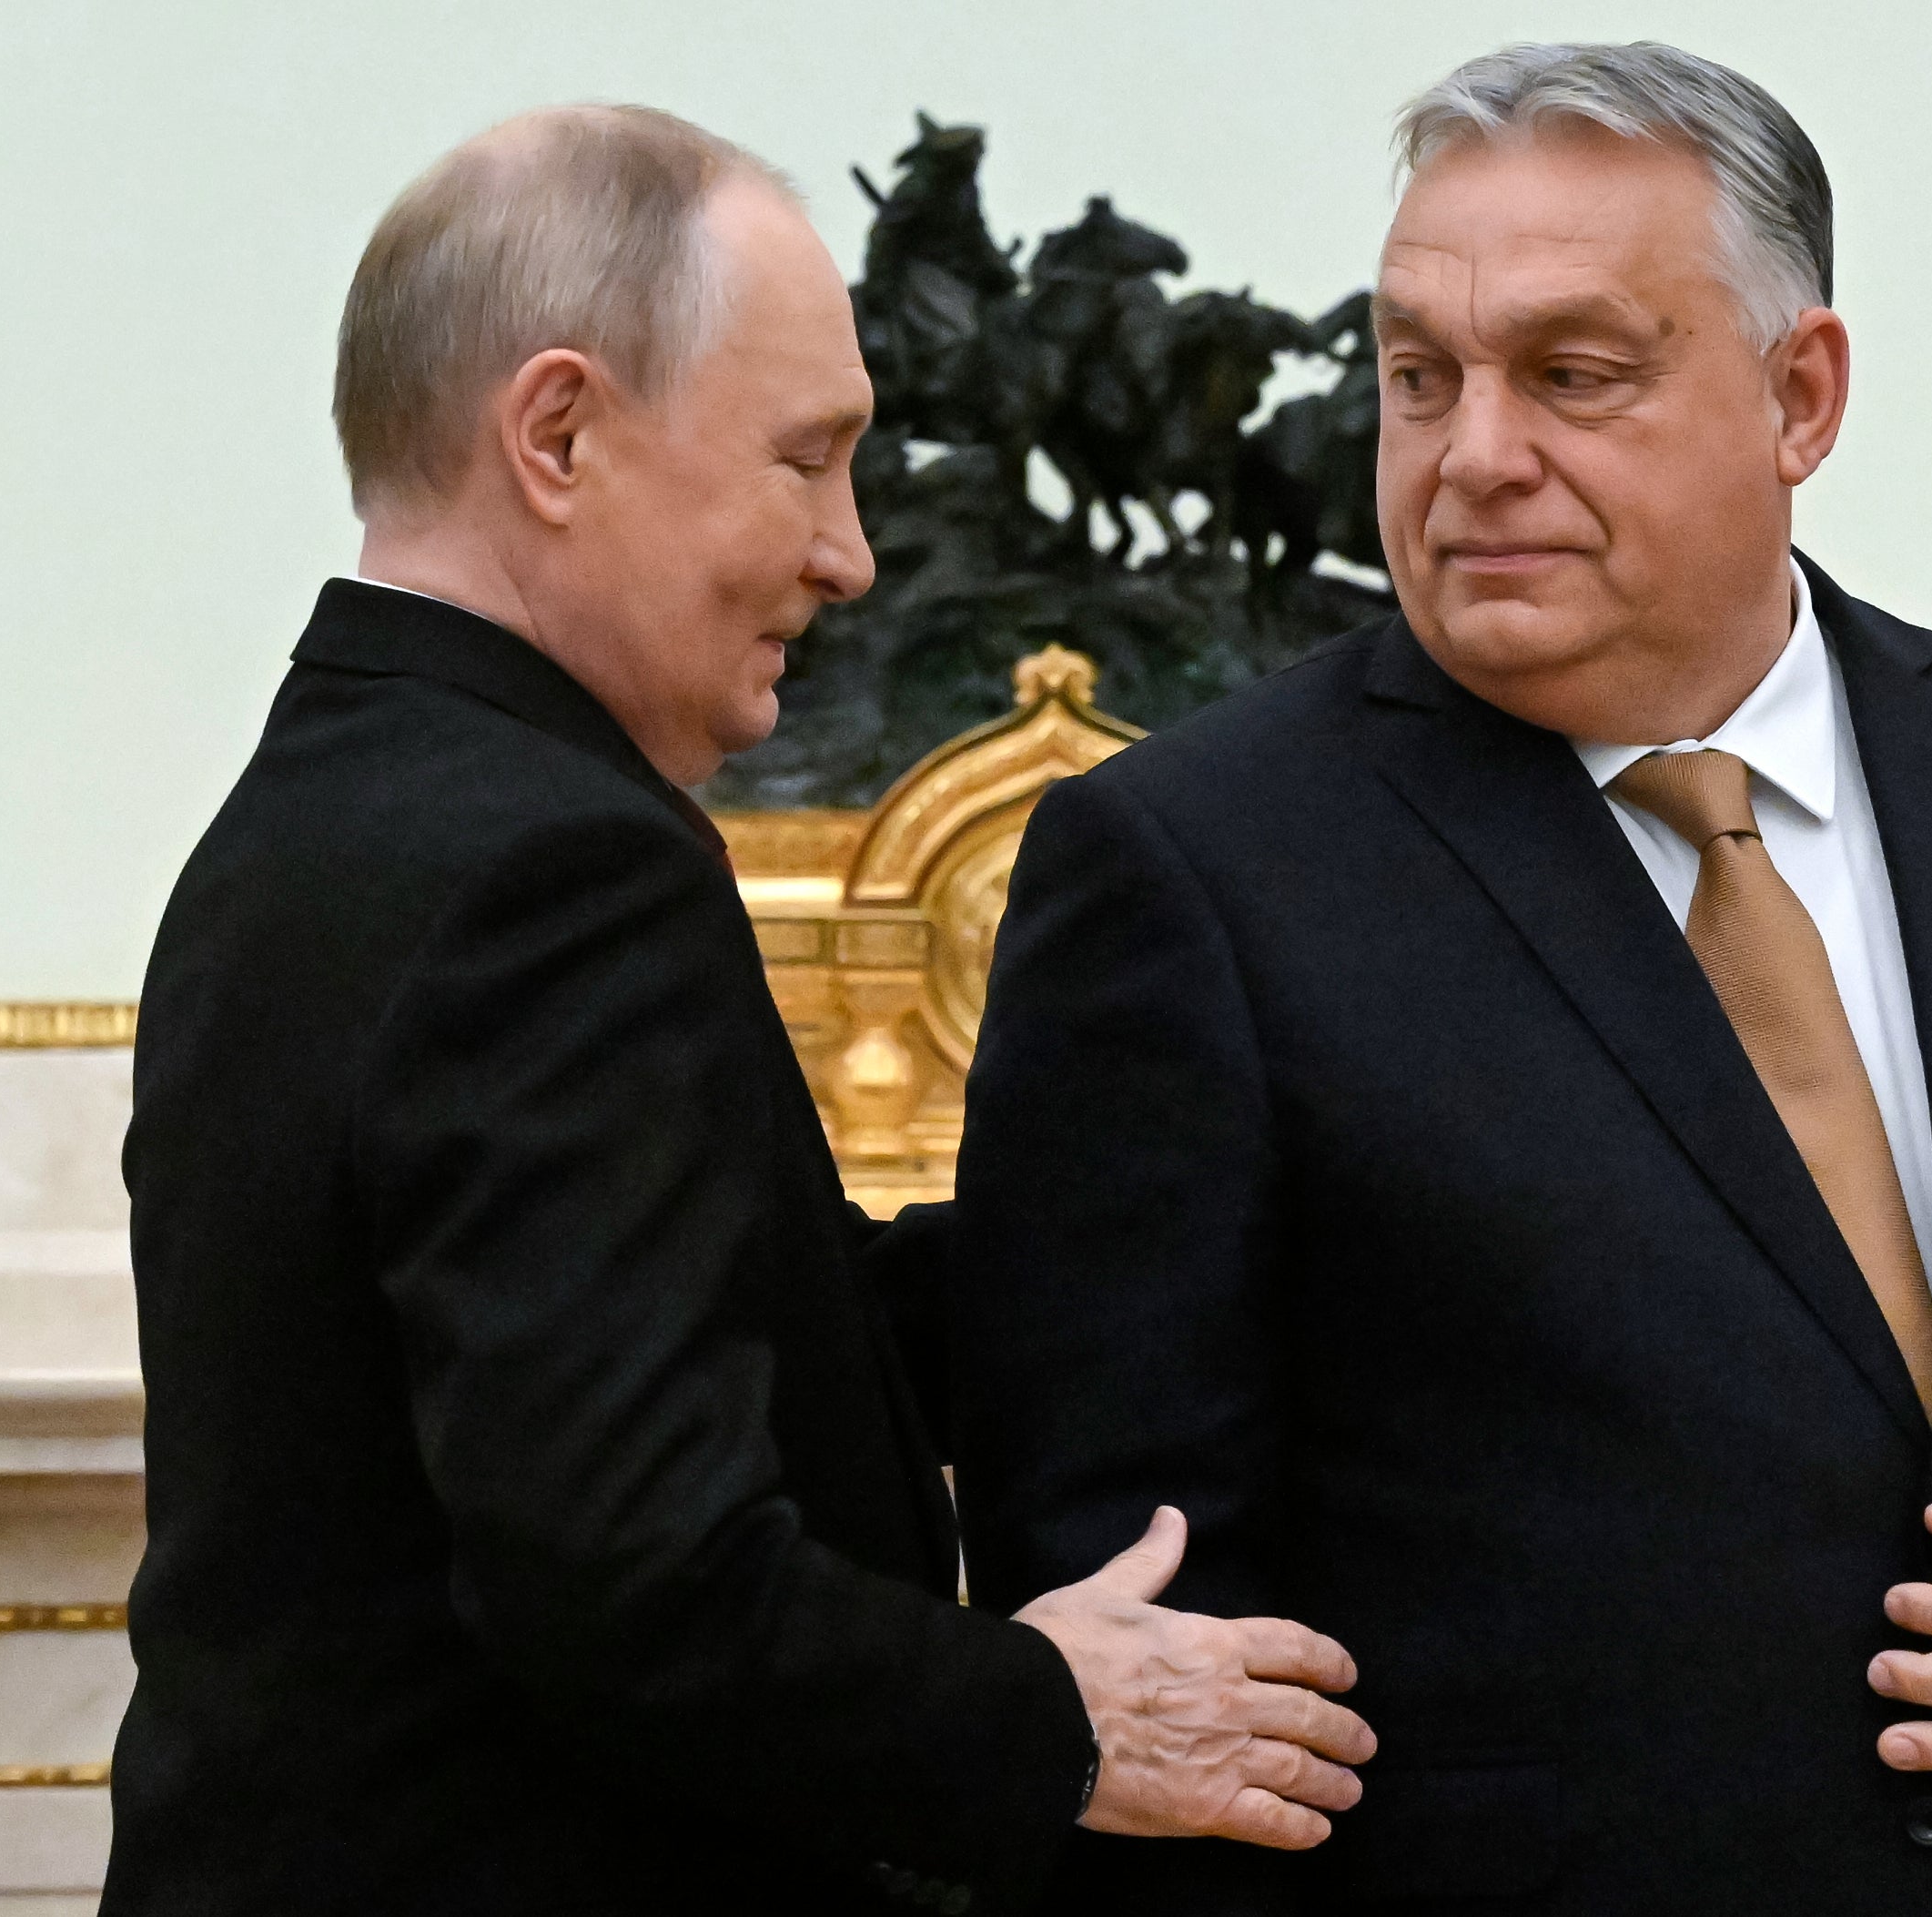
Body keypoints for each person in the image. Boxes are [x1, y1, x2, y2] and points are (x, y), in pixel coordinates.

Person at [952, 42, 1932, 1915]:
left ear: (1800, 395)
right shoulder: (1187, 870)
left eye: (1570, 375)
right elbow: (1146, 1628)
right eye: (1415, 377)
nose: (1470, 456)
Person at [109, 106, 1370, 1917]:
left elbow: (668, 1337)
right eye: (807, 462)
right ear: (557, 434)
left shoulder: (324, 809)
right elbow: (637, 1589)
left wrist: (1160, 1225)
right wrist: (1059, 1719)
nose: (850, 554)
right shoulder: (556, 866)